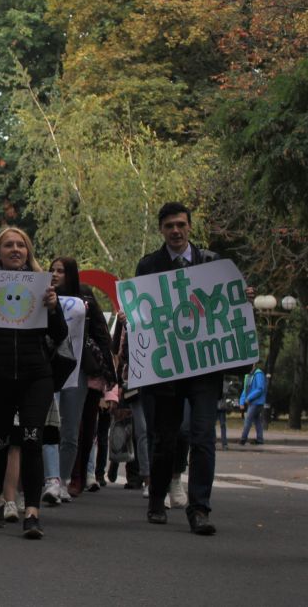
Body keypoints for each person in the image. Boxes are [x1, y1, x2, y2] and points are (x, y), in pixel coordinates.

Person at [135, 201, 254, 535]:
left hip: (204, 368)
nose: (176, 230)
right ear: (161, 229)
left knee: (203, 437)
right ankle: (157, 500)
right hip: (167, 369)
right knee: (166, 438)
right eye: (169, 225)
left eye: (181, 225)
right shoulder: (149, 267)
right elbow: (142, 315)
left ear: (190, 227)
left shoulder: (213, 264)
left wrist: (240, 299)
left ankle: (199, 508)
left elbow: (228, 307)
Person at [0, 227, 66, 539]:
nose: (15, 249)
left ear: (28, 251)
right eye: (8, 245)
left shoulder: (42, 286)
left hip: (36, 375)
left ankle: (32, 513)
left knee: (33, 440)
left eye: (21, 244)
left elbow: (59, 336)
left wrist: (53, 309)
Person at [49, 256, 116, 498]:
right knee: (48, 427)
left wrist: (109, 374)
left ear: (72, 274)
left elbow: (100, 332)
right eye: (52, 270)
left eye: (61, 271)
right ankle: (50, 479)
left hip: (77, 370)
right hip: (47, 369)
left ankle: (63, 480)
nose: (55, 275)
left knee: (70, 429)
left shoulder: (85, 296)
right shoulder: (42, 296)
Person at [239, 363, 267, 445]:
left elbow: (260, 388)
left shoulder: (258, 373)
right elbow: (245, 390)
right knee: (257, 420)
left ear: (254, 365)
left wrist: (249, 398)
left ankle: (243, 439)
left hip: (257, 402)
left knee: (248, 420)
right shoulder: (247, 375)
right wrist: (242, 402)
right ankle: (260, 439)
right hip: (252, 402)